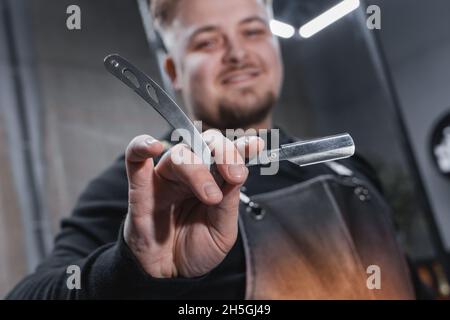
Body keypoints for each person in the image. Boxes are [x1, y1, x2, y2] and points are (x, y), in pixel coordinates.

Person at [7, 0, 420, 299]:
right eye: (207, 42)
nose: (238, 54)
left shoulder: (346, 165)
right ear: (173, 71)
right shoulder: (145, 186)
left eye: (254, 31)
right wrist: (129, 268)